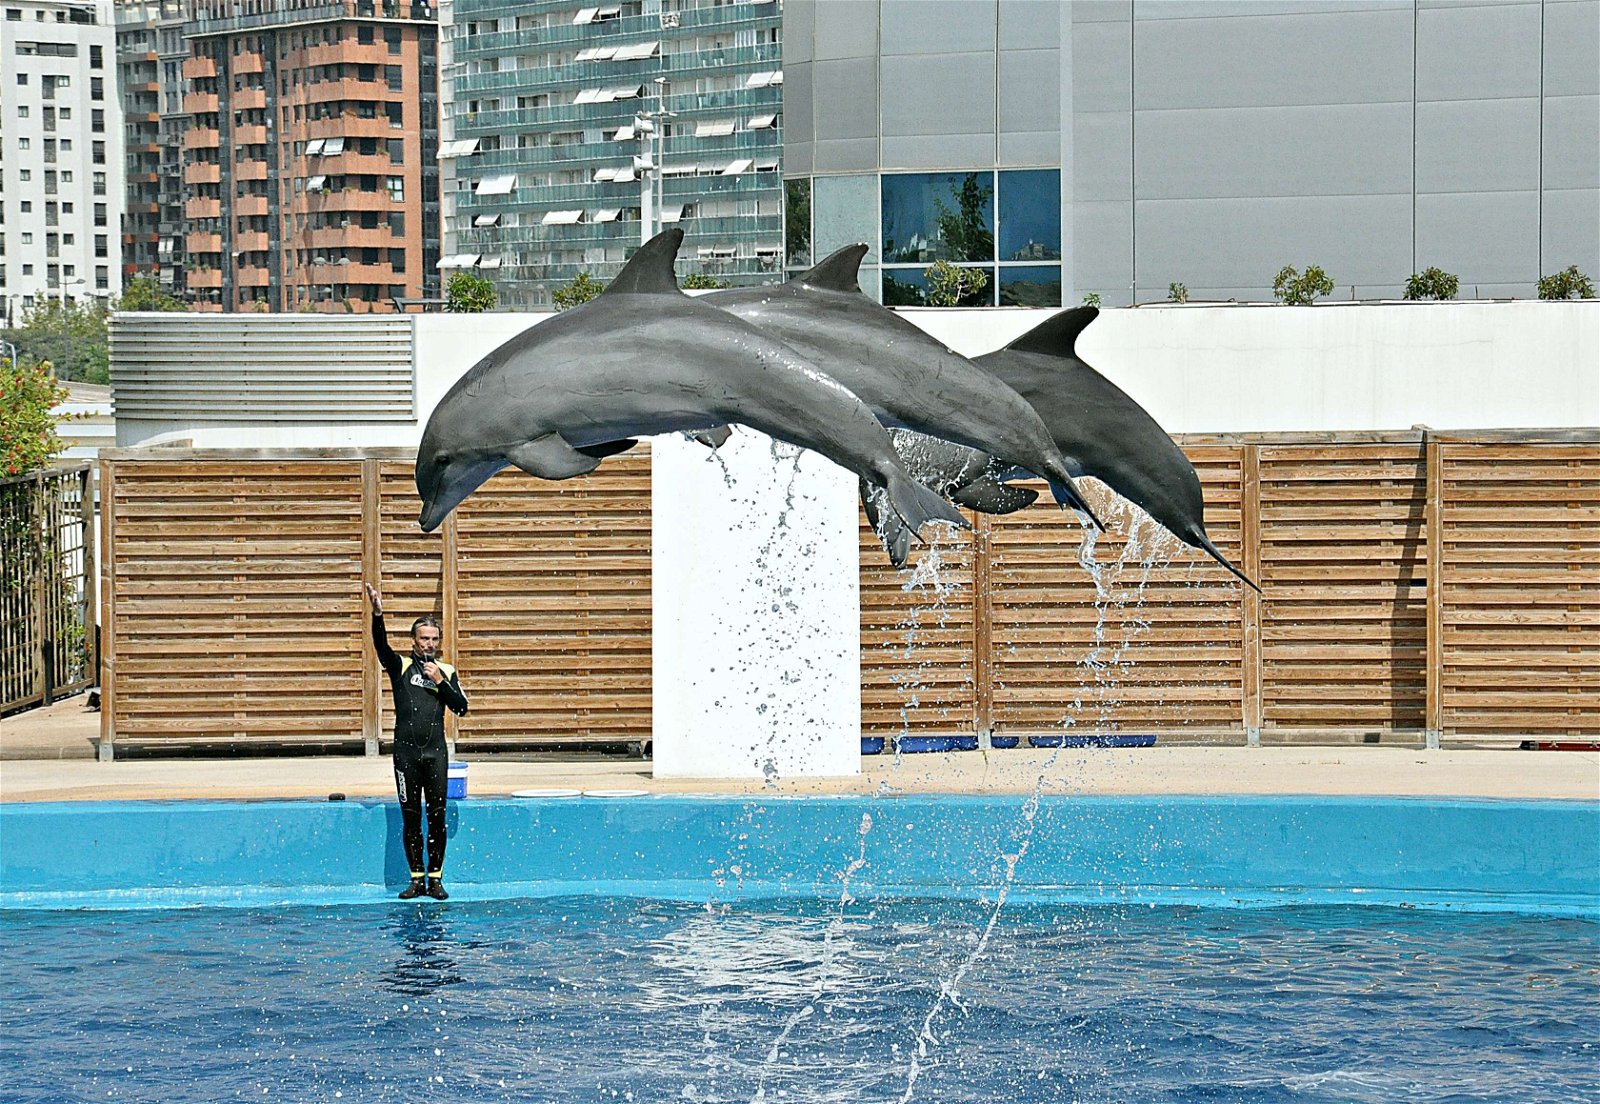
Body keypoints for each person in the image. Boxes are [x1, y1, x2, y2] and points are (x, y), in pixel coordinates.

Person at [365, 583, 468, 900]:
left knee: (437, 817)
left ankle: (436, 880)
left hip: (436, 754)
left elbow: (461, 708)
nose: (430, 644)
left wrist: (440, 681)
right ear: (414, 640)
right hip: (406, 756)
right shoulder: (400, 667)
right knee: (411, 817)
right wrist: (378, 614)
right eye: (424, 638)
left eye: (435, 639)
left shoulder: (446, 670)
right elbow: (381, 647)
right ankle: (416, 880)